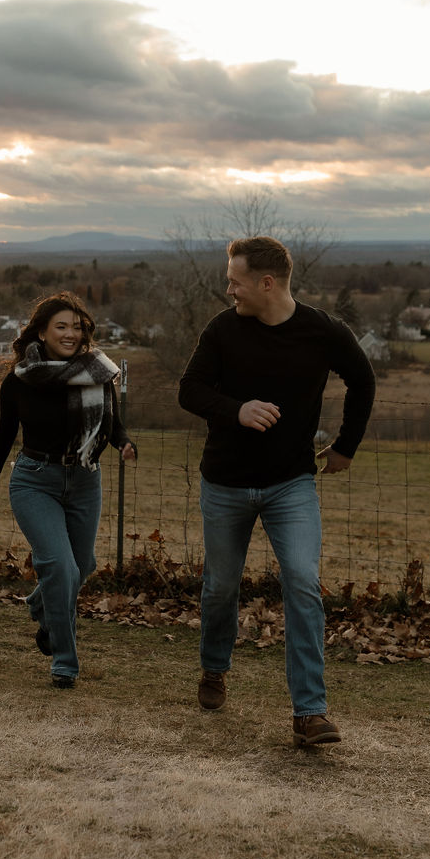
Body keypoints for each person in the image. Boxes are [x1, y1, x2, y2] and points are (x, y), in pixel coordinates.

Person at [178, 236, 375, 746]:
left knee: (303, 582)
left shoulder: (323, 332)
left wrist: (346, 445)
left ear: (266, 283)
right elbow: (190, 390)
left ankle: (310, 713)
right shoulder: (223, 330)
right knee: (221, 587)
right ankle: (214, 668)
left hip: (291, 484)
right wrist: (236, 409)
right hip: (224, 483)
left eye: (235, 281)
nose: (229, 290)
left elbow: (363, 379)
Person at [0, 292, 136, 689]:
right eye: (61, 326)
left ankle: (39, 602)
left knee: (80, 566)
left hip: (85, 478)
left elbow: (112, 423)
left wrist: (123, 443)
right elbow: (4, 435)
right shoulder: (21, 380)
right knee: (60, 568)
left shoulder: (98, 372)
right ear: (41, 331)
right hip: (35, 479)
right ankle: (64, 660)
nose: (71, 334)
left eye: (77, 326)